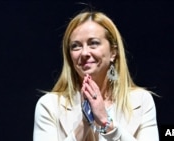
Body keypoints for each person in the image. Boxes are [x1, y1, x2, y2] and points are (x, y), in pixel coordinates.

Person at [33, 10, 159, 141]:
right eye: (76, 46)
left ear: (113, 52)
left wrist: (106, 123)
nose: (84, 53)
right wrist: (84, 124)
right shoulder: (49, 105)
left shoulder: (141, 101)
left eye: (93, 43)